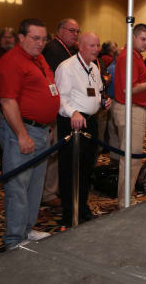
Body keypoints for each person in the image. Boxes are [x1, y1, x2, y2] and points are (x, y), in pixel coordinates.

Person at [0, 18, 60, 249]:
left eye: (44, 39)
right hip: (20, 131)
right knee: (18, 187)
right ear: (21, 38)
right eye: (35, 38)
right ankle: (14, 238)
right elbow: (8, 102)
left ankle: (27, 229)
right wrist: (22, 134)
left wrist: (45, 126)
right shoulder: (12, 61)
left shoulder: (38, 58)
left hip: (40, 130)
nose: (40, 43)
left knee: (35, 185)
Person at [55, 32, 111, 226]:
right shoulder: (66, 67)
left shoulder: (94, 67)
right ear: (80, 46)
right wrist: (74, 113)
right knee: (71, 170)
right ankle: (70, 213)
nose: (96, 49)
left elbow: (96, 92)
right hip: (72, 123)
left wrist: (103, 101)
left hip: (90, 122)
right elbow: (60, 99)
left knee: (87, 168)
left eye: (98, 45)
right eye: (92, 46)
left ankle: (82, 207)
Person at [112, 24, 146, 209]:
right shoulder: (128, 57)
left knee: (133, 157)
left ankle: (127, 197)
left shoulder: (135, 55)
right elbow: (128, 89)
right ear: (133, 37)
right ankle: (125, 200)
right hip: (130, 109)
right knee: (132, 158)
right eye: (143, 39)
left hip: (135, 109)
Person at [41, 18, 79, 208]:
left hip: (63, 108)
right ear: (60, 31)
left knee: (58, 152)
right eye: (72, 30)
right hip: (54, 108)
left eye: (77, 31)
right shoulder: (53, 49)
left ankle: (52, 189)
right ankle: (48, 193)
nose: (75, 34)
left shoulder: (67, 50)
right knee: (53, 153)